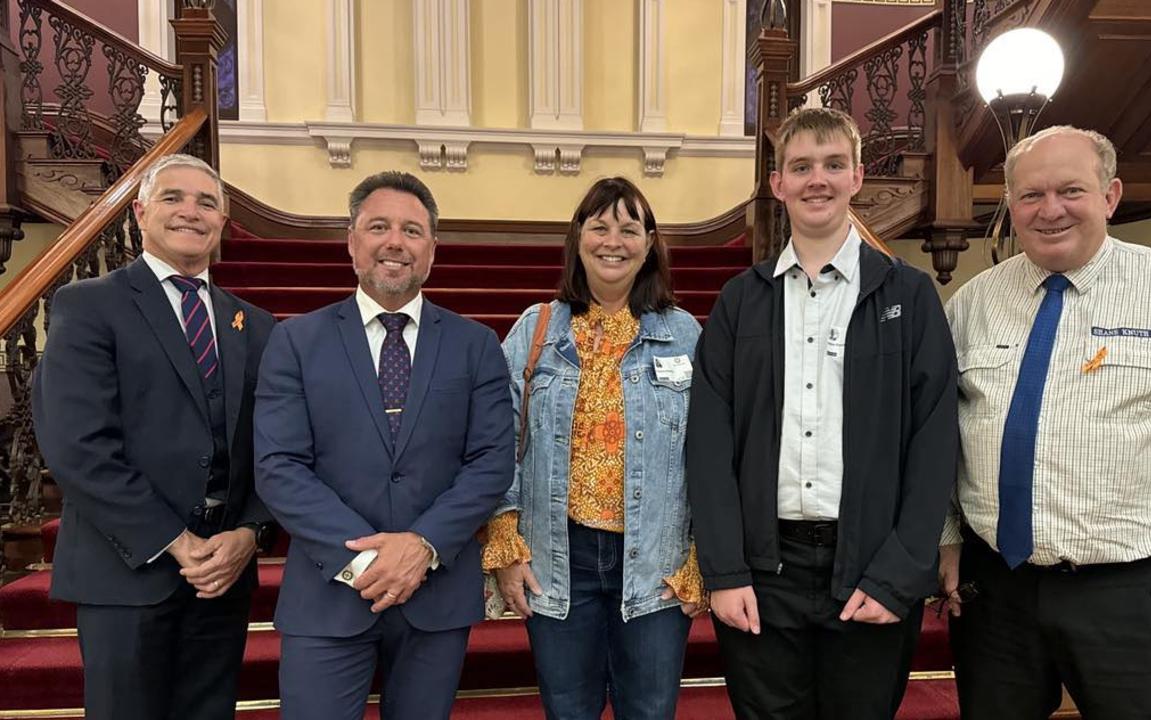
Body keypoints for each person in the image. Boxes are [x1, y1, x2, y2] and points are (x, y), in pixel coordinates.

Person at [940, 125, 1151, 718]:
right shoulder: (972, 303)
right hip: (996, 592)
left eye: (1071, 190)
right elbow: (936, 428)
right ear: (1010, 204)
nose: (1050, 211)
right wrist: (945, 534)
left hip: (1137, 593)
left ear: (1110, 196)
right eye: (1030, 195)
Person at [685, 107, 958, 719]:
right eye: (801, 166)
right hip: (763, 569)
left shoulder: (908, 296)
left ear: (858, 176)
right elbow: (708, 444)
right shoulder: (740, 303)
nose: (818, 179)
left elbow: (935, 441)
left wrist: (900, 573)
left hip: (869, 565)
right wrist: (725, 571)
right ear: (777, 183)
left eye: (834, 164)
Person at [253, 171, 514, 720]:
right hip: (329, 591)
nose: (395, 242)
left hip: (435, 593)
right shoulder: (296, 340)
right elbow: (279, 467)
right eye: (379, 226)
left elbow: (491, 464)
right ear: (352, 241)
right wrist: (371, 559)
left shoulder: (476, 345)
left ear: (432, 250)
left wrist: (421, 547)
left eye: (412, 230)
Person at [32, 153, 276, 720]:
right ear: (140, 212)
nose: (190, 211)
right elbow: (78, 447)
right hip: (127, 571)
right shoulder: (89, 305)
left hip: (224, 576)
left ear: (223, 221)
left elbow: (275, 444)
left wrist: (249, 531)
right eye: (173, 198)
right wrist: (177, 541)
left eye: (207, 202)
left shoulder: (254, 325)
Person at [482, 177, 705, 720]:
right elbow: (495, 440)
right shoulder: (535, 330)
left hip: (656, 563)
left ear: (650, 244)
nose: (614, 241)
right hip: (559, 561)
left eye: (629, 229)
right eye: (600, 226)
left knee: (650, 712)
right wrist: (505, 544)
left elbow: (711, 454)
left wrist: (703, 555)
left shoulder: (685, 335)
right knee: (568, 711)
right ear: (577, 238)